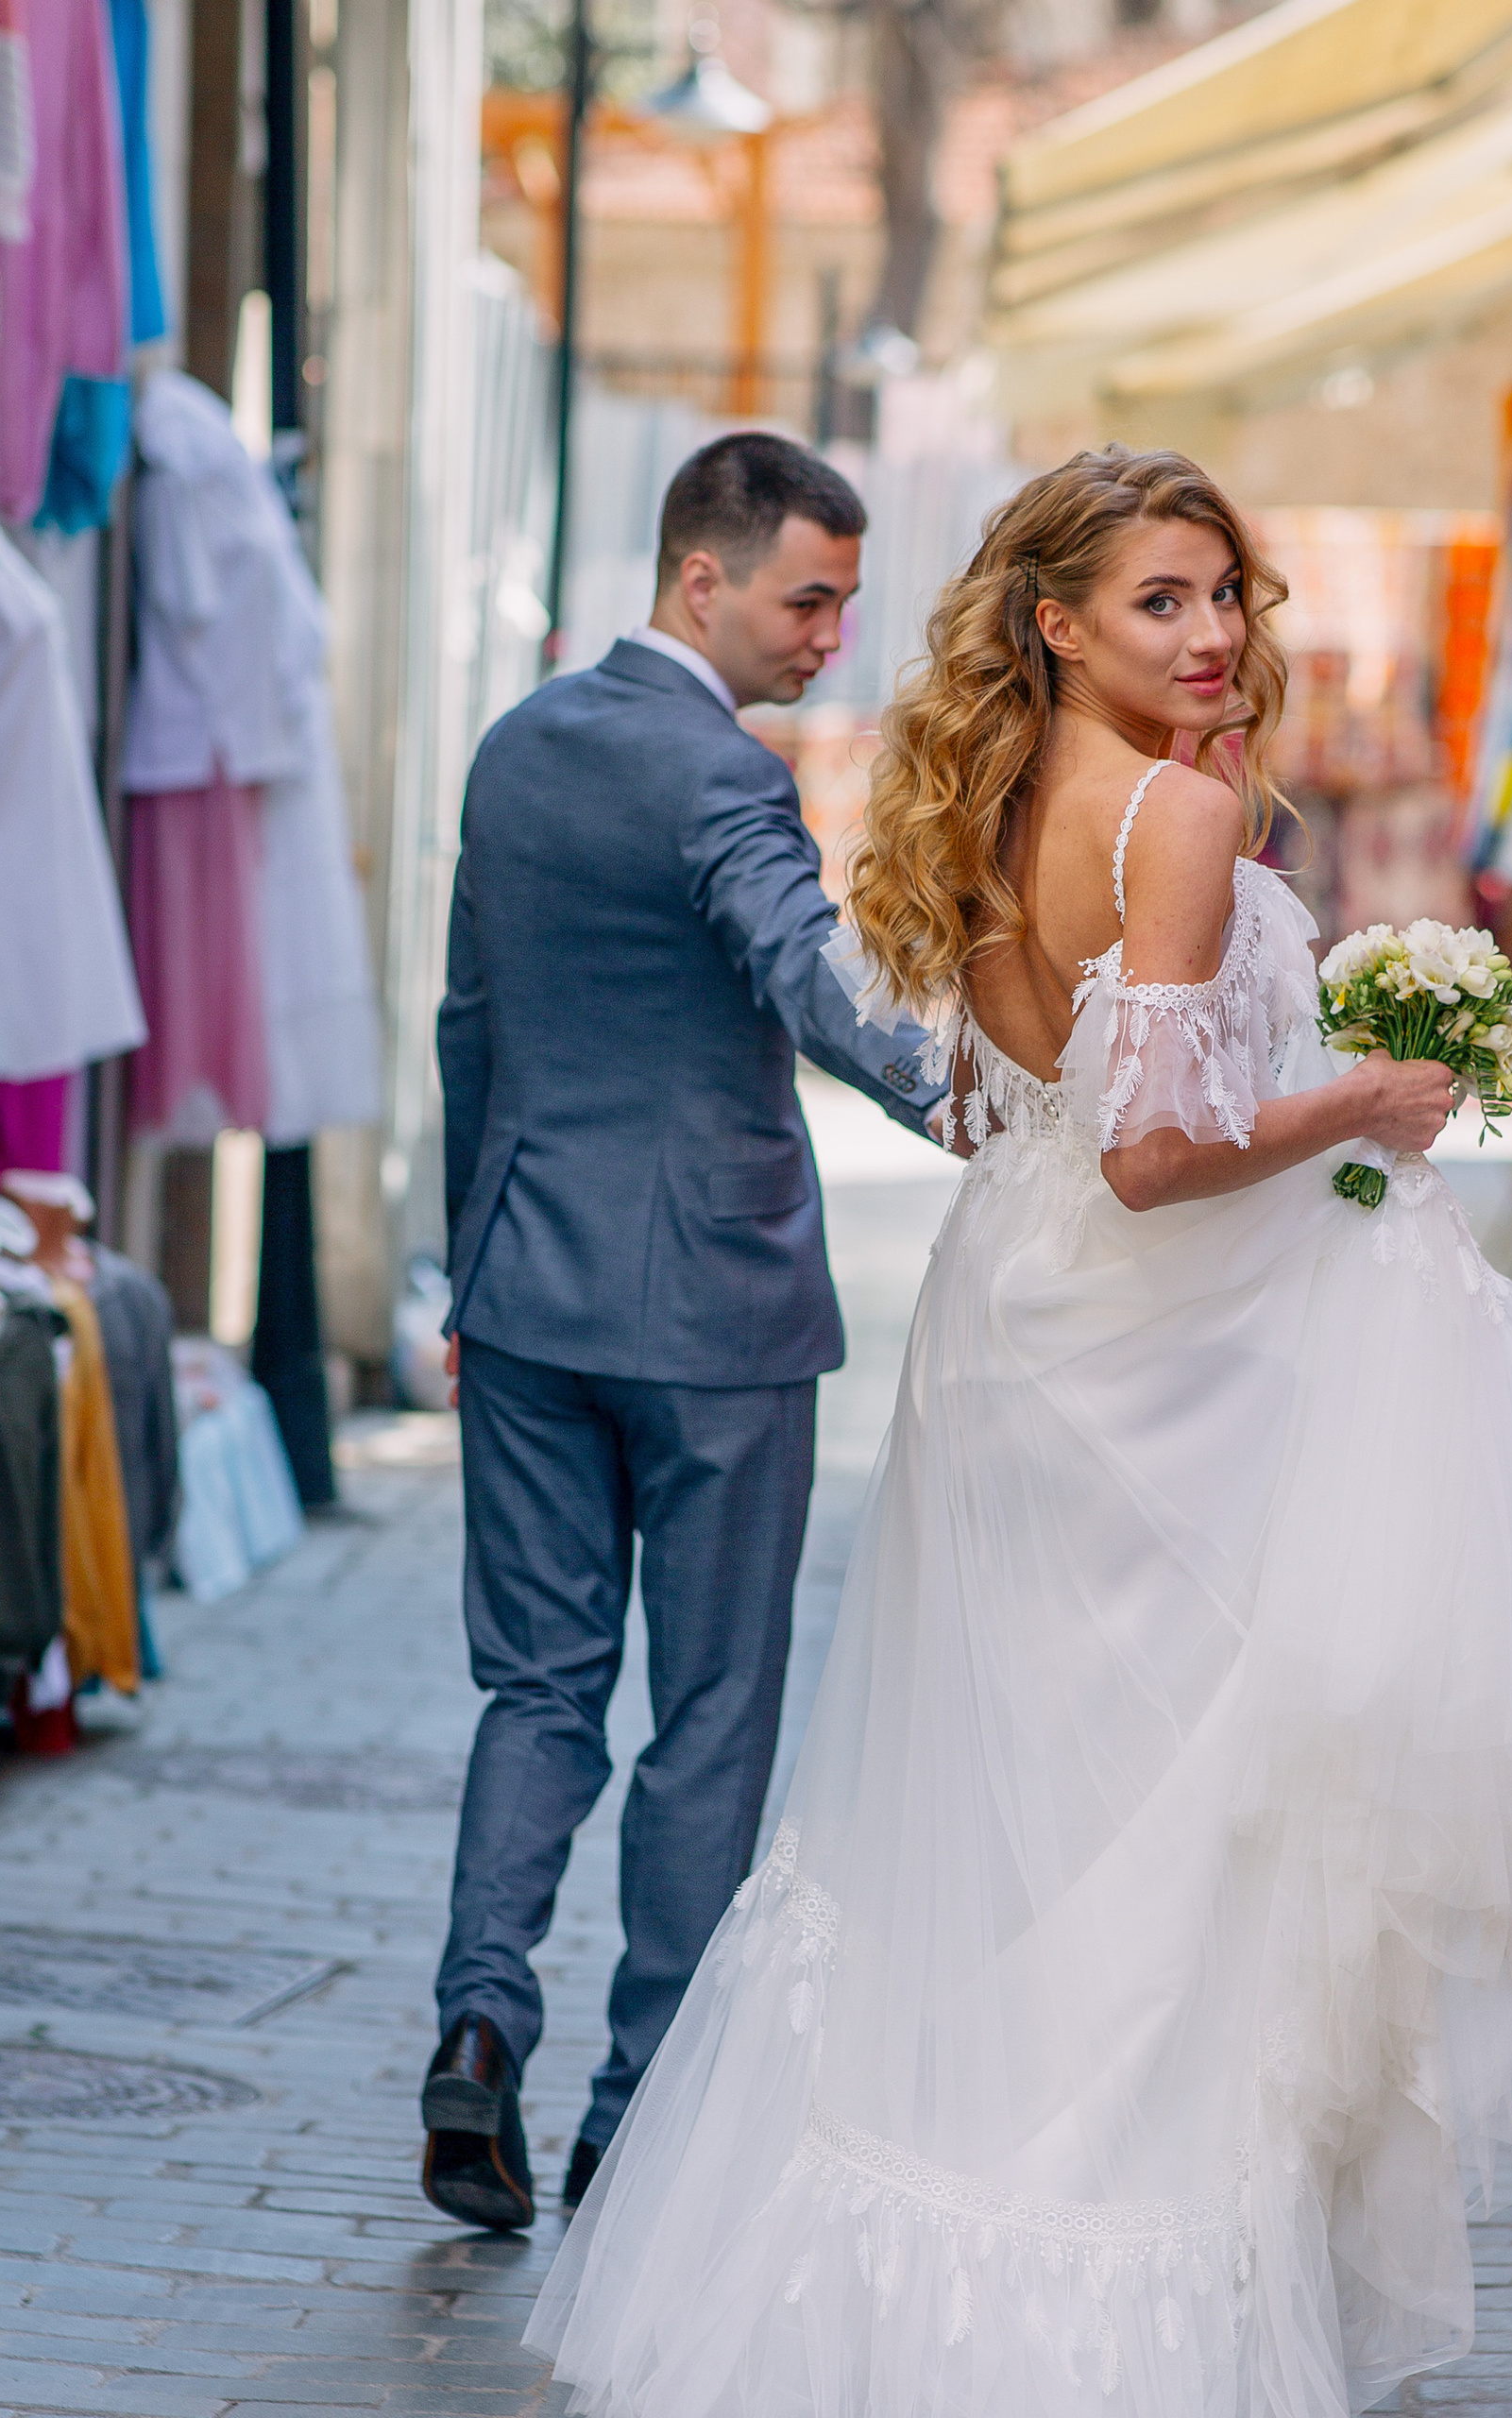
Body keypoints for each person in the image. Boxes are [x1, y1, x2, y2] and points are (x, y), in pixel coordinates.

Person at [521, 446, 1512, 2412]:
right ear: (1055, 619)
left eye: (1224, 593)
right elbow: (1151, 1151)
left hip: (1022, 1334)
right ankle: (1098, 2308)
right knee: (1174, 1838)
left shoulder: (979, 784)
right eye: (1160, 600)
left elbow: (1030, 1107)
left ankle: (903, 2286)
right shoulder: (1174, 815)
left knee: (1027, 1825)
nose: (1212, 633)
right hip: (1157, 1366)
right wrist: (1365, 1094)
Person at [422, 433, 953, 2232]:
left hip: (524, 1299)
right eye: (810, 599)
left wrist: (461, 1276)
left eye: (847, 606)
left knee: (537, 1688)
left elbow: (467, 1027)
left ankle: (478, 2031)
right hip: (715, 1316)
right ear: (699, 578)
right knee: (711, 1714)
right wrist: (984, 1098)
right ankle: (634, 2112)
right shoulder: (718, 776)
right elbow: (813, 978)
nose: (832, 639)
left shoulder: (513, 753)